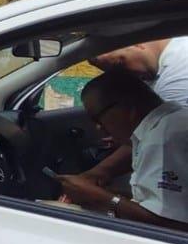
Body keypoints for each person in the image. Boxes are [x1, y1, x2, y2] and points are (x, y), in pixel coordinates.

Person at [57, 70, 188, 231]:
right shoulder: (170, 122)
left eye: (98, 118)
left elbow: (173, 227)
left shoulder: (163, 140)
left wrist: (100, 197)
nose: (98, 127)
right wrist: (93, 192)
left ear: (127, 107)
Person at [80, 38, 188, 188]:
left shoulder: (180, 72)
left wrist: (98, 174)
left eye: (120, 64)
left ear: (137, 42)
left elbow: (165, 137)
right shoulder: (156, 67)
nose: (125, 77)